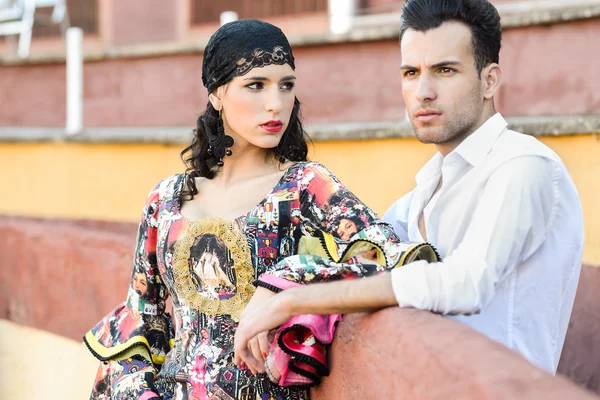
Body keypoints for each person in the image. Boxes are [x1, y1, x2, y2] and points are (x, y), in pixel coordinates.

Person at [83, 19, 436, 400]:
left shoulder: (303, 186)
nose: (276, 103)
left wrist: (287, 283)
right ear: (217, 94)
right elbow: (141, 315)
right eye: (256, 85)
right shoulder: (165, 201)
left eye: (286, 86)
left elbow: (391, 258)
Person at [234, 0, 584, 375]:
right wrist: (281, 281)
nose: (423, 92)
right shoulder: (417, 197)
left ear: (489, 79)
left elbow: (466, 283)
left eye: (445, 70)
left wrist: (293, 302)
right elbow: (362, 271)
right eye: (411, 72)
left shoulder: (523, 166)